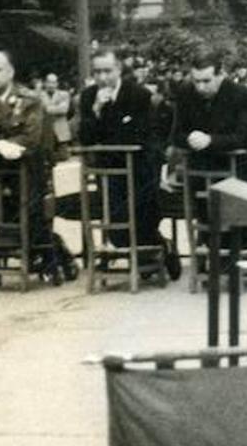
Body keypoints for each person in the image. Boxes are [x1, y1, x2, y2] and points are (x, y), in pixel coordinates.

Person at [0, 50, 76, 284]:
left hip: (28, 174)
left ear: (10, 72)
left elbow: (32, 138)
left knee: (31, 212)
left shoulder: (30, 100)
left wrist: (11, 146)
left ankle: (51, 250)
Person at [76, 49, 178, 276]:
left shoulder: (138, 95)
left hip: (139, 169)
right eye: (98, 72)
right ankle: (158, 247)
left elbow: (138, 135)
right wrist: (96, 111)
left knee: (141, 216)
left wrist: (109, 123)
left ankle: (154, 249)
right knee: (114, 222)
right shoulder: (88, 96)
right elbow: (85, 137)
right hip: (107, 170)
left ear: (118, 70)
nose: (102, 78)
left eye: (107, 71)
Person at [169, 49, 247, 252]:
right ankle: (212, 246)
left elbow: (242, 138)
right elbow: (176, 134)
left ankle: (245, 246)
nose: (201, 87)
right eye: (196, 81)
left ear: (221, 75)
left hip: (237, 168)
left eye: (206, 81)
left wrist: (210, 141)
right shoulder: (185, 94)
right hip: (201, 170)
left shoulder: (243, 96)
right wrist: (190, 139)